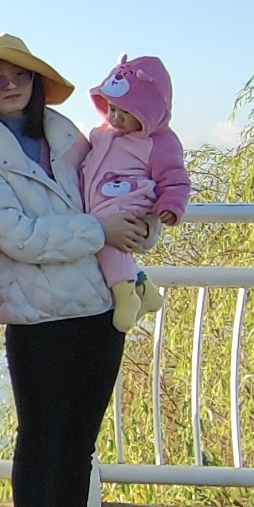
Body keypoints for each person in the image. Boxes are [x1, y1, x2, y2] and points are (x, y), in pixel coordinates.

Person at [0, 34, 150, 507]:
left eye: (21, 75)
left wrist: (144, 227)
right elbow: (17, 236)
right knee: (40, 437)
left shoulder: (71, 136)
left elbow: (122, 193)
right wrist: (100, 232)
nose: (11, 85)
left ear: (37, 82)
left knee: (80, 439)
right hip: (36, 312)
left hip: (99, 305)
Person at [80, 55, 190, 332]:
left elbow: (175, 178)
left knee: (105, 237)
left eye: (125, 113)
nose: (115, 117)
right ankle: (146, 290)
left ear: (147, 113)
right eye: (112, 108)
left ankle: (125, 292)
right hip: (103, 199)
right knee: (104, 237)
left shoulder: (159, 144)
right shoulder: (103, 133)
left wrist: (171, 205)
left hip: (131, 199)